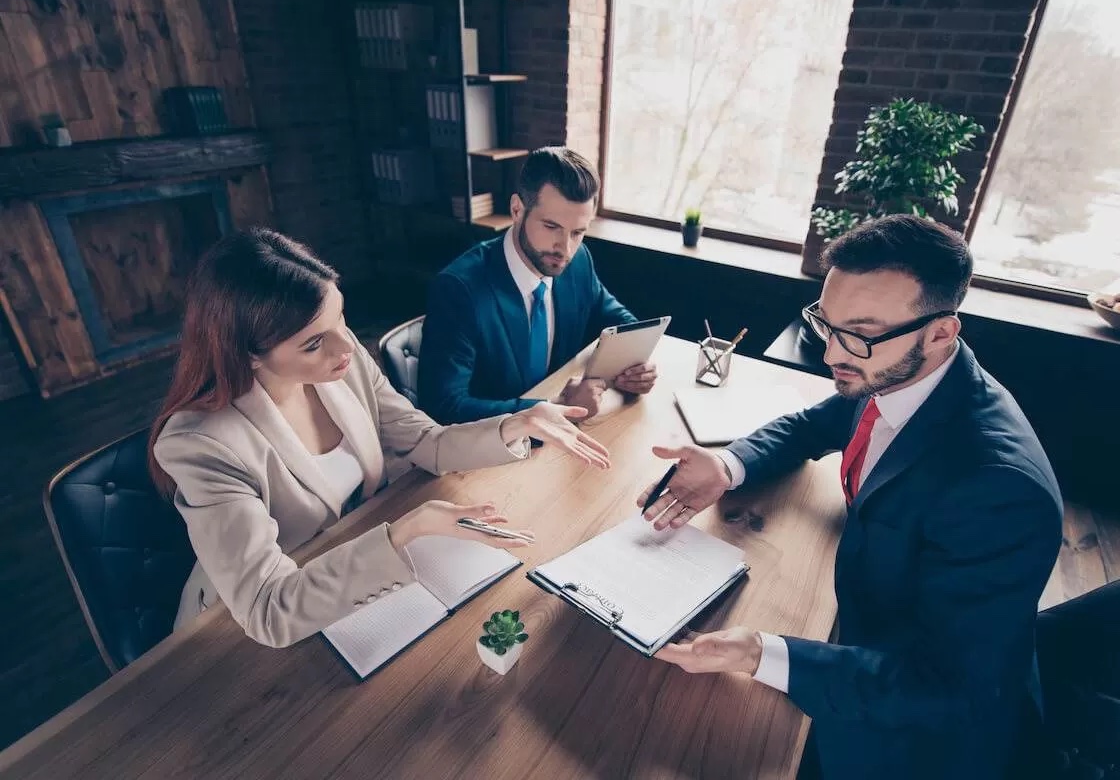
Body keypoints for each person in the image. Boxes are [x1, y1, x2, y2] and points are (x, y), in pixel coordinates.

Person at [638, 215, 1063, 779]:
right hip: (870, 632)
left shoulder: (999, 488)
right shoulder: (892, 372)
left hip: (921, 739)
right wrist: (726, 464)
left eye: (857, 334)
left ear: (941, 332)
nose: (832, 353)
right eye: (825, 323)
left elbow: (950, 689)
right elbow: (815, 424)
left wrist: (762, 653)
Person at [149, 228, 610, 648]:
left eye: (341, 318)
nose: (347, 347)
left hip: (347, 572)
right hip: (239, 631)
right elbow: (269, 610)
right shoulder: (202, 445)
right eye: (313, 343)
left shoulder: (342, 366)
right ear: (248, 355)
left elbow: (424, 442)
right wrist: (405, 531)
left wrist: (518, 422)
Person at [419, 146, 658, 425]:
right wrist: (556, 407)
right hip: (492, 448)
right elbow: (443, 406)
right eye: (551, 226)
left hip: (560, 441)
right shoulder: (458, 289)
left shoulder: (578, 261)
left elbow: (616, 318)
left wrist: (635, 367)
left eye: (578, 232)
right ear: (517, 209)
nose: (565, 248)